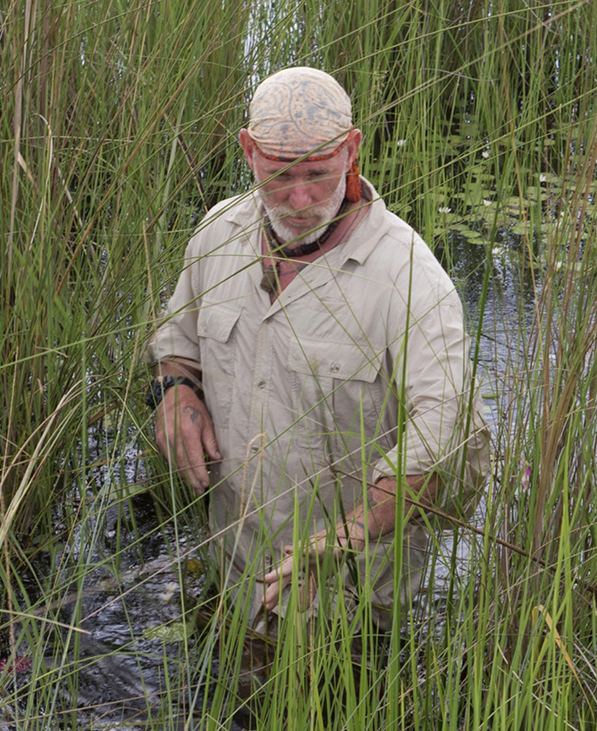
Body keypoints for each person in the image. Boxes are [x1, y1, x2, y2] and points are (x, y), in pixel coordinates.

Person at [148, 67, 488, 636]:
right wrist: (175, 393)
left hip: (347, 600)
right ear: (248, 150)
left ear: (351, 150)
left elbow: (445, 446)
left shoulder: (409, 279)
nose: (300, 198)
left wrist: (347, 536)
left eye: (318, 173)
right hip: (231, 567)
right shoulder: (216, 235)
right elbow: (177, 347)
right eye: (280, 174)